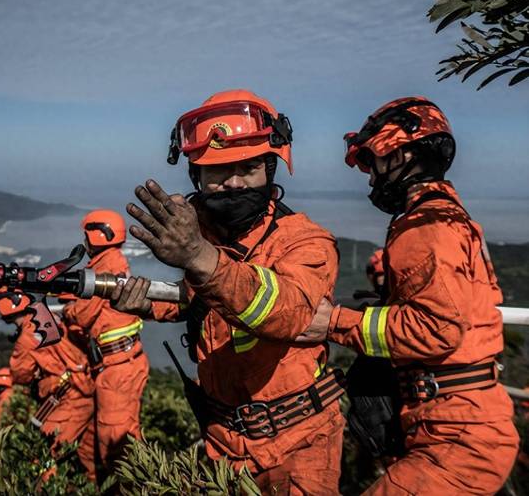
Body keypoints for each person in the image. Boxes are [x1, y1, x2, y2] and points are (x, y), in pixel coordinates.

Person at [111, 89, 346, 495]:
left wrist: (200, 257)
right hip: (222, 441)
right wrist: (146, 305)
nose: (233, 183)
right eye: (218, 172)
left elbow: (287, 313)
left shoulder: (306, 242)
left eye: (248, 167)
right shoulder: (201, 233)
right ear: (196, 178)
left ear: (270, 169)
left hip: (299, 443)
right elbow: (200, 303)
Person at [308, 96, 519, 494]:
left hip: (457, 437)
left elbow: (436, 329)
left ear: (401, 154)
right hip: (462, 422)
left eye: (373, 164)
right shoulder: (450, 217)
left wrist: (333, 321)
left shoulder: (425, 227)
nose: (371, 179)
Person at [61, 209, 149, 470]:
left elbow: (83, 316)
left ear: (97, 236)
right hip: (116, 364)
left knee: (116, 444)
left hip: (118, 368)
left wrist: (67, 309)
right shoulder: (111, 262)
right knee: (99, 442)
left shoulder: (106, 269)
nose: (85, 242)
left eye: (86, 236)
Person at [0, 287, 98, 480]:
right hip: (86, 392)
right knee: (89, 459)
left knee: (47, 454)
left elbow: (21, 375)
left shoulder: (28, 336)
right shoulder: (48, 318)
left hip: (69, 401)